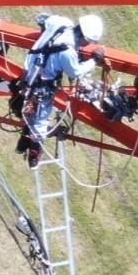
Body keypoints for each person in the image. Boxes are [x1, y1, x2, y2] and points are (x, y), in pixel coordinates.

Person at [16, 13, 107, 167]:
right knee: (40, 122)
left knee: (31, 115)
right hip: (42, 84)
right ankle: (34, 154)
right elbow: (76, 72)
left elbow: (43, 19)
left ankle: (22, 145)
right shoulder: (68, 52)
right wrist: (95, 60)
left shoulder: (62, 23)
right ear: (84, 37)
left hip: (29, 74)